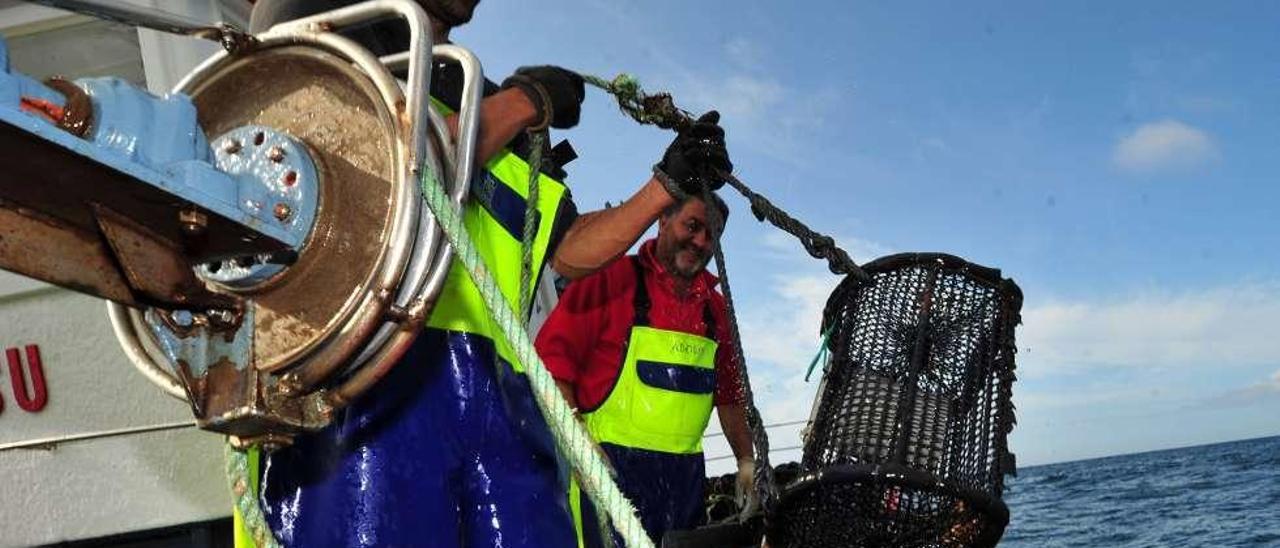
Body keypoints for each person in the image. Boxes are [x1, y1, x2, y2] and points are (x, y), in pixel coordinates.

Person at [236, 1, 736, 546]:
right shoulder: (321, 22)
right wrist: (523, 103)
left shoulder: (489, 102)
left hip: (502, 398)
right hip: (360, 388)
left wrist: (669, 182)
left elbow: (567, 251)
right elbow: (375, 172)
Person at [535, 184, 755, 546]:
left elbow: (729, 396)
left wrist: (746, 460)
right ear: (663, 219)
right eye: (692, 226)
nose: (700, 241)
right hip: (607, 474)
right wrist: (577, 442)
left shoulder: (716, 312)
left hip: (685, 485)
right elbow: (552, 365)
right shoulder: (610, 278)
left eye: (711, 235)